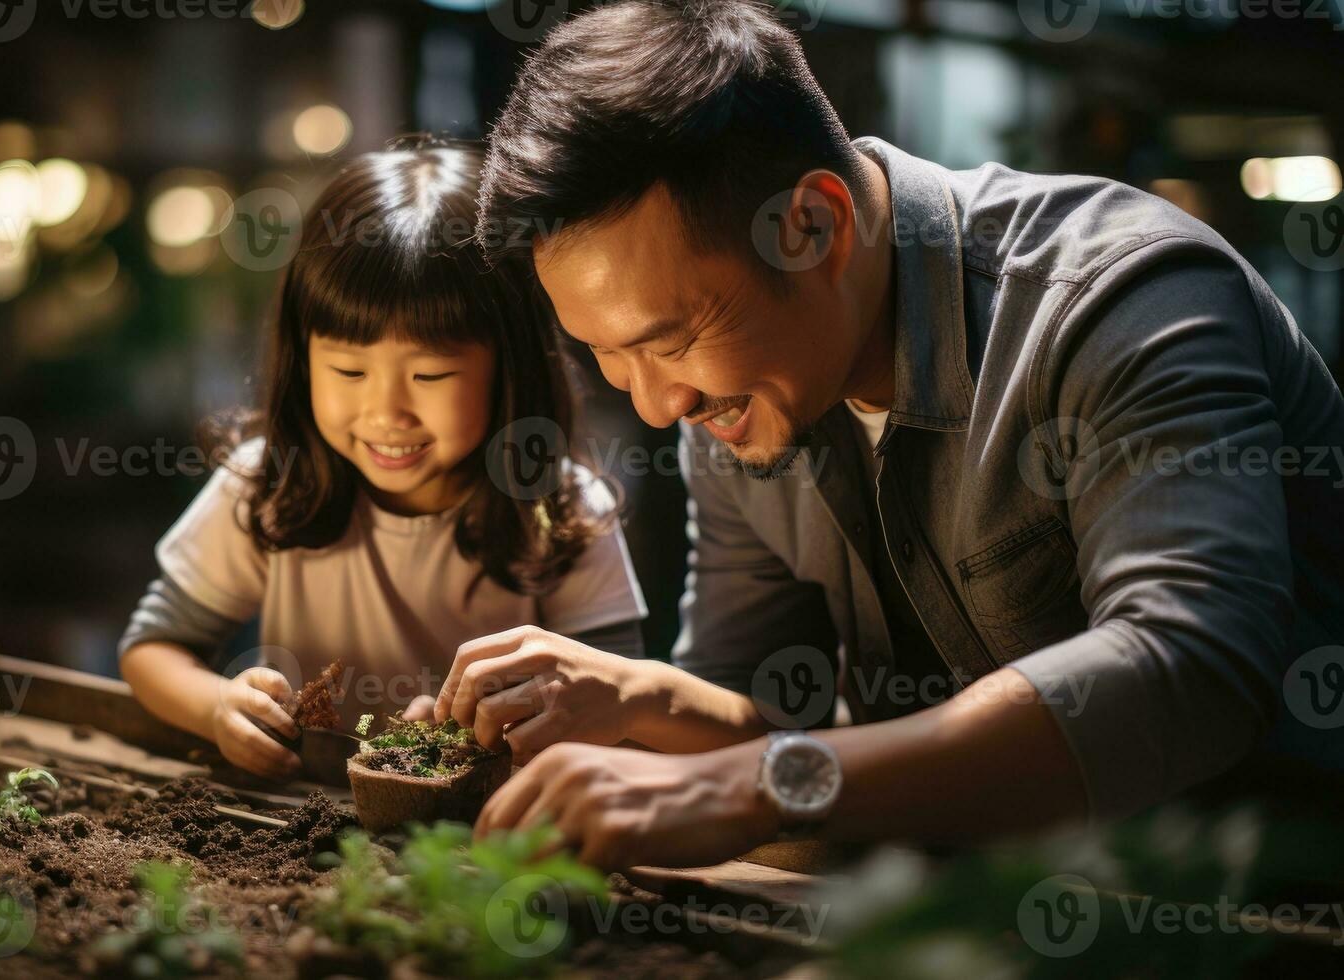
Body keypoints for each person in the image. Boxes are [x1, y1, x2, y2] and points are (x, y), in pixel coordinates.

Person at [438, 0, 1344, 870]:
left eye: (666, 341)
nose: (652, 404)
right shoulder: (734, 399)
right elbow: (765, 726)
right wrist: (647, 697)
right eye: (605, 354)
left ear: (812, 227)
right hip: (963, 912)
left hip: (1260, 910)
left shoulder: (1117, 299)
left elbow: (1191, 665)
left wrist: (765, 784)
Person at [118, 141, 648, 779]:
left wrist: (499, 733)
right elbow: (153, 647)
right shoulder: (272, 483)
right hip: (300, 824)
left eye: (429, 374)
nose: (386, 412)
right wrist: (216, 707)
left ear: (509, 368)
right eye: (347, 369)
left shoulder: (558, 510)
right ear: (302, 356)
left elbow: (619, 712)